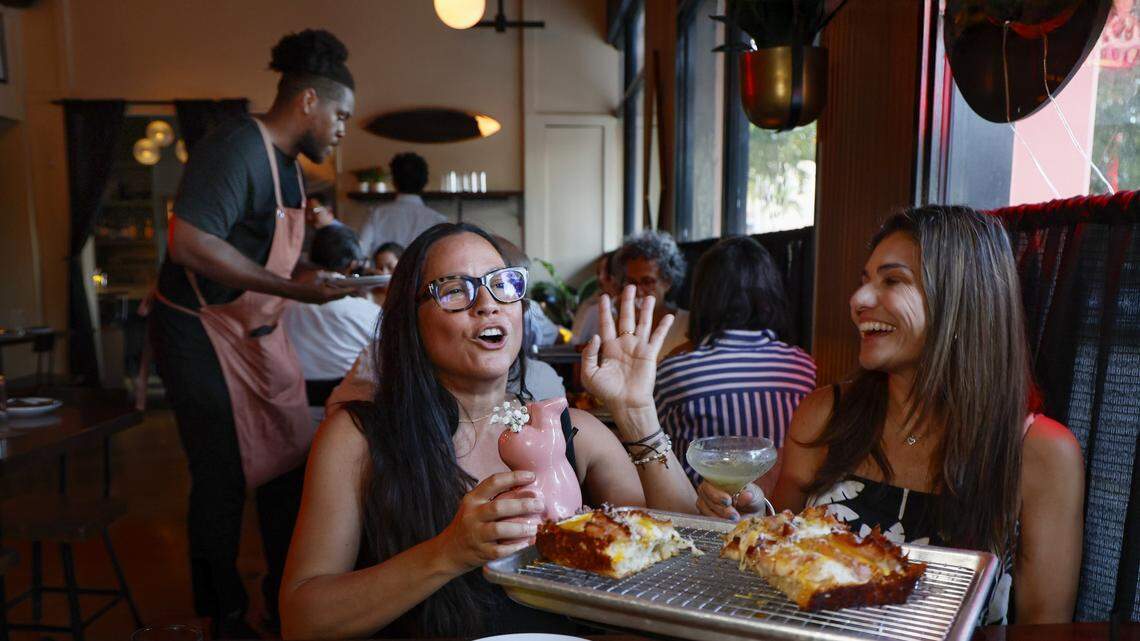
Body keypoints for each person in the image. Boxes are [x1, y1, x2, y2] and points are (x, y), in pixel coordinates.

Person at [280, 223, 699, 639]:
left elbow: (688, 556)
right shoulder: (357, 439)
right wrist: (448, 552)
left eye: (502, 284)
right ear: (411, 320)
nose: (487, 304)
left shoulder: (572, 432)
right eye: (456, 289)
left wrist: (637, 412)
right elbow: (303, 618)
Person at [696, 206, 1085, 625]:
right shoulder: (825, 414)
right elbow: (780, 549)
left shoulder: (1041, 452)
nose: (858, 300)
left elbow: (1044, 626)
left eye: (893, 280)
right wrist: (752, 518)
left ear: (961, 301)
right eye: (865, 280)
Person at [149, 29, 355, 637]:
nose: (342, 129)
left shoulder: (290, 170)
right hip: (199, 333)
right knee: (221, 477)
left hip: (254, 333)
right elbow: (189, 242)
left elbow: (270, 261)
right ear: (309, 102)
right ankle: (223, 615)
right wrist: (296, 289)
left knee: (290, 460)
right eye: (340, 114)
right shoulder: (238, 144)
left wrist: (323, 277)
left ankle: (284, 597)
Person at [655, 236, 816, 488]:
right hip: (782, 516)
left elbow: (656, 451)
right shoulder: (802, 366)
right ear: (771, 294)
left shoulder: (675, 371)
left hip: (697, 517)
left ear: (702, 298)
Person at [283, 225, 381, 409]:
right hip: (348, 412)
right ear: (353, 265)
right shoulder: (367, 311)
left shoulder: (282, 305)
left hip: (293, 407)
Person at [612, 230, 690, 360]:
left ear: (667, 282)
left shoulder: (687, 324)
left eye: (647, 282)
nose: (638, 290)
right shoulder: (621, 324)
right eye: (631, 282)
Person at [357, 152, 446, 255]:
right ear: (425, 182)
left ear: (394, 182)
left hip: (384, 270)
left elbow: (360, 251)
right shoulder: (438, 220)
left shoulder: (376, 214)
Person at [570, 251, 618, 346]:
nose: (600, 277)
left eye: (607, 272)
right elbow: (576, 342)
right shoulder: (591, 305)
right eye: (598, 272)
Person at [369, 241, 403, 308]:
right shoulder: (368, 294)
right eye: (380, 268)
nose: (384, 273)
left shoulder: (411, 294)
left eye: (390, 267)